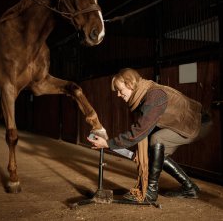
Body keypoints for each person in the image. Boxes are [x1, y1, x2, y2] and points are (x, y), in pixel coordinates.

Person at [87, 68, 212, 203]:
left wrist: (109, 143)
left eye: (119, 90)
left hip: (199, 123)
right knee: (155, 152)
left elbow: (140, 131)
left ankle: (150, 192)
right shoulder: (144, 94)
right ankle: (190, 188)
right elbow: (144, 128)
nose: (118, 94)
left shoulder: (154, 95)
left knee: (157, 139)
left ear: (129, 84)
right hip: (188, 123)